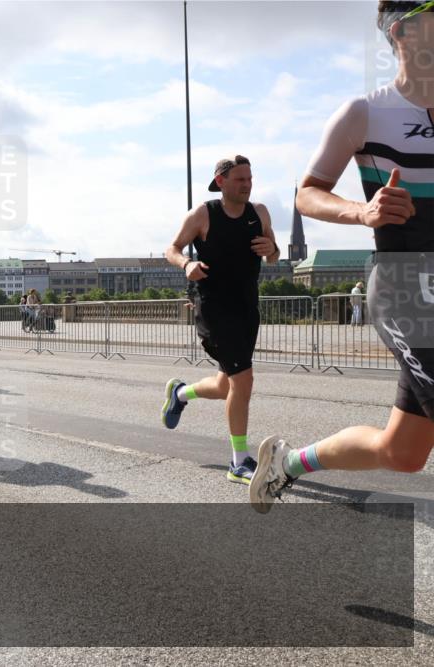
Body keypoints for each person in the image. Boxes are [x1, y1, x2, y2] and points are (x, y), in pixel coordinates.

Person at [250, 1, 434, 512]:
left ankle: (287, 462)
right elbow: (307, 193)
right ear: (404, 30)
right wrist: (364, 210)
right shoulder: (365, 113)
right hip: (406, 288)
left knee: (403, 453)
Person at [161, 155, 280, 485]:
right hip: (213, 306)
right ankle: (238, 461)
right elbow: (171, 248)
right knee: (244, 382)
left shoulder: (260, 213)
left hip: (246, 306)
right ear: (221, 181)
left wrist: (271, 247)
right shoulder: (203, 214)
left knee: (226, 384)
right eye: (240, 179)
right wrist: (186, 265)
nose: (247, 184)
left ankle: (180, 394)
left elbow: (274, 254)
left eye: (250, 178)